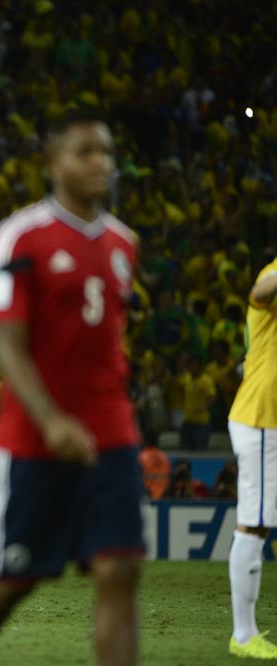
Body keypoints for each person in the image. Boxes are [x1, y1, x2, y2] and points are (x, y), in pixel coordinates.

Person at [0, 109, 144, 666]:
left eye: (106, 151)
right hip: (34, 435)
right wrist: (52, 418)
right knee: (15, 578)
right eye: (85, 151)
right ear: (54, 163)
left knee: (119, 568)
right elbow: (5, 341)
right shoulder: (19, 236)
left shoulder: (124, 243)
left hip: (111, 430)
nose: (100, 162)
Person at [226, 254, 277, 658]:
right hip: (262, 420)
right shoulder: (270, 278)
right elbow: (258, 292)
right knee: (254, 525)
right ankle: (243, 635)